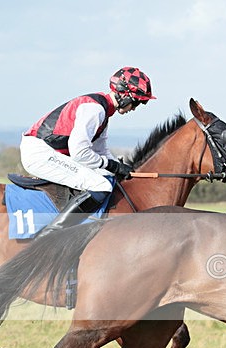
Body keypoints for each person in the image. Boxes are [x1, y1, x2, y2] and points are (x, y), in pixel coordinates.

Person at [20, 66, 155, 235]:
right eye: (136, 102)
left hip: (49, 152)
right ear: (123, 94)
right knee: (100, 185)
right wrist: (111, 165)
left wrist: (120, 168)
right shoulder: (95, 109)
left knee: (107, 178)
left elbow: (101, 150)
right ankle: (51, 234)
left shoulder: (104, 111)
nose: (134, 108)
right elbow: (79, 152)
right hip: (40, 153)